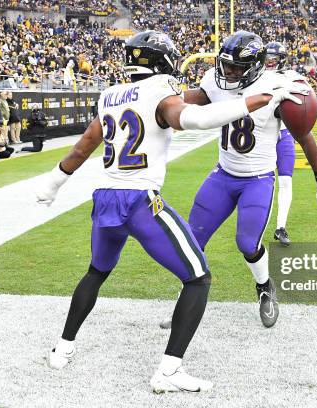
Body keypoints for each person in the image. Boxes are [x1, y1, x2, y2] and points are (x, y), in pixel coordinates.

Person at [34, 30, 301, 393]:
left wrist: (51, 185)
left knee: (96, 272)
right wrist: (260, 99)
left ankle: (61, 350)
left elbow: (83, 148)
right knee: (198, 278)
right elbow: (199, 120)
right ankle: (169, 371)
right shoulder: (160, 94)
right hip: (140, 201)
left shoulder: (109, 94)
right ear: (162, 61)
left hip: (105, 198)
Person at [182, 31, 317, 328]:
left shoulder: (275, 87)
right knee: (192, 240)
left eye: (235, 68)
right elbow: (191, 100)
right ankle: (186, 299)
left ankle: (265, 286)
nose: (227, 73)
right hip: (223, 174)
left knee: (247, 243)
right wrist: (159, 96)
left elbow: (305, 137)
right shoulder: (216, 82)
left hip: (257, 179)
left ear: (256, 66)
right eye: (225, 65)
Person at [263, 41, 317, 247]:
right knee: (262, 182)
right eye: (266, 58)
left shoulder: (293, 78)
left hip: (285, 135)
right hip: (263, 136)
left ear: (281, 60)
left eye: (273, 59)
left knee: (286, 181)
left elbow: (306, 104)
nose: (269, 63)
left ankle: (281, 227)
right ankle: (257, 223)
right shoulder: (256, 77)